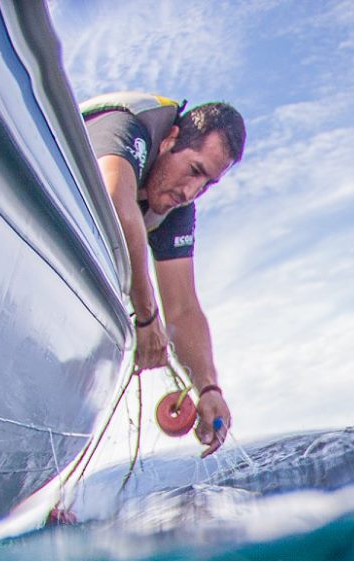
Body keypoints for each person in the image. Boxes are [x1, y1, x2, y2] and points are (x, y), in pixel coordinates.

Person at [80, 92, 245, 455]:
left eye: (208, 184)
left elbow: (184, 307)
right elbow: (118, 205)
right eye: (195, 170)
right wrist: (146, 316)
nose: (191, 191)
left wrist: (208, 389)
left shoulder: (176, 207)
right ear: (170, 140)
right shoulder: (129, 128)